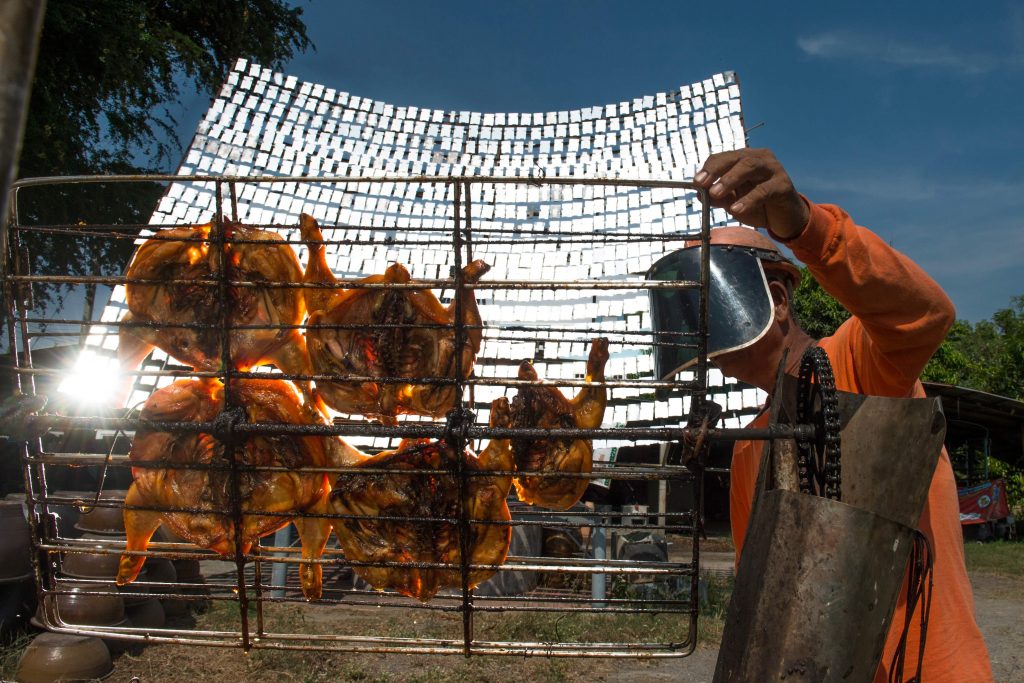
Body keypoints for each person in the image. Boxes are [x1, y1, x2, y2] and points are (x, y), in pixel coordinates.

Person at [689, 148, 993, 682]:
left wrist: (804, 226)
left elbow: (926, 313)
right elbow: (760, 589)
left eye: (708, 311)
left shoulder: (859, 361)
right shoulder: (749, 448)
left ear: (776, 300)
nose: (703, 342)